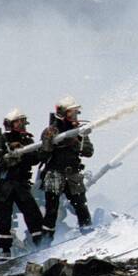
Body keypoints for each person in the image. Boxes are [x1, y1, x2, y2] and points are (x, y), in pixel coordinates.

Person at [0, 108, 45, 256]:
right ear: (10, 124)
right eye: (18, 122)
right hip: (5, 184)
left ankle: (41, 244)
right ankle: (5, 250)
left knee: (32, 213)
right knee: (4, 218)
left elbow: (35, 159)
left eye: (23, 121)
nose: (22, 124)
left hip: (21, 183)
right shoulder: (0, 140)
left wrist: (32, 152)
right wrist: (9, 158)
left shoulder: (27, 140)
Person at [39, 95, 94, 243]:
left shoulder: (79, 131)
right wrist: (49, 142)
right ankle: (45, 243)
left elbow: (89, 152)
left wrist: (77, 142)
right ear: (63, 112)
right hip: (54, 174)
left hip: (73, 175)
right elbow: (42, 156)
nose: (75, 114)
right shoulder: (50, 131)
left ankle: (89, 237)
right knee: (52, 211)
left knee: (81, 206)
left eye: (75, 111)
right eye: (71, 111)